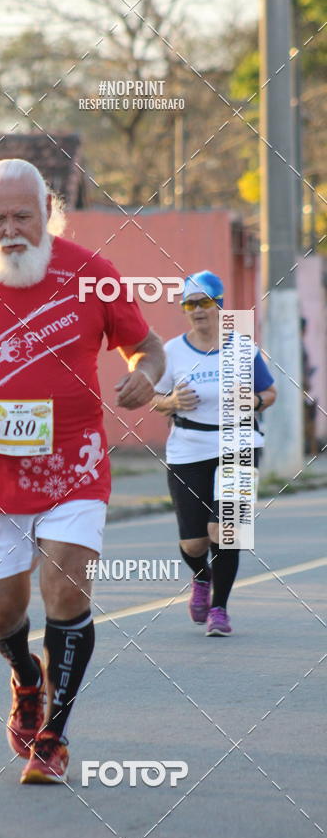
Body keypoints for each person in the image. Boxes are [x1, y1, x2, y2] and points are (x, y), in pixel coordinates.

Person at [0, 158, 165, 783]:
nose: (10, 230)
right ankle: (26, 675)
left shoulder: (92, 275)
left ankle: (54, 736)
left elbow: (147, 347)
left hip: (75, 464)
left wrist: (145, 376)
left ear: (47, 210)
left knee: (66, 590)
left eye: (23, 215)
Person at [151, 271, 276, 636]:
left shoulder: (242, 348)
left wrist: (252, 401)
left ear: (220, 306)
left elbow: (270, 393)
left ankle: (219, 609)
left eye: (205, 302)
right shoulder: (172, 351)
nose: (198, 310)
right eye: (190, 304)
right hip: (188, 448)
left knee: (226, 531)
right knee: (194, 541)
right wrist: (171, 401)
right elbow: (153, 398)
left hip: (238, 443)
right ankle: (202, 578)